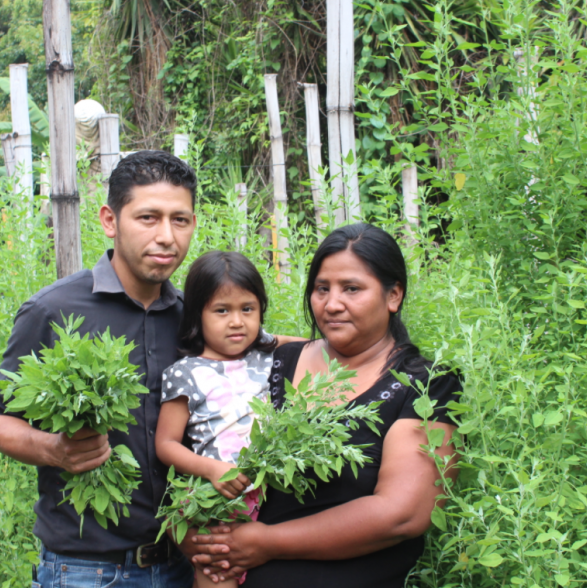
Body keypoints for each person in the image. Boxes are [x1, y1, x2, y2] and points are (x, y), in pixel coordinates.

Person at [190, 223, 462, 587]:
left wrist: (265, 543)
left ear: (393, 295)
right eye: (322, 289)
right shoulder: (275, 363)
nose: (332, 304)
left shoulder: (426, 386)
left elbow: (402, 514)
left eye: (352, 288)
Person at [0, 150, 198, 588]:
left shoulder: (193, 318)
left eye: (180, 220)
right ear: (109, 220)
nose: (166, 237)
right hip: (87, 572)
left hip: (182, 565)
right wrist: (53, 449)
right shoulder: (53, 310)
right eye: (148, 218)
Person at [155, 251, 302, 588]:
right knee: (218, 571)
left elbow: (316, 345)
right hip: (217, 503)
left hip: (271, 503)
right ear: (198, 315)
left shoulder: (267, 354)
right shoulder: (185, 372)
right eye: (222, 310)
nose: (237, 321)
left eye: (247, 309)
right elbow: (165, 444)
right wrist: (211, 470)